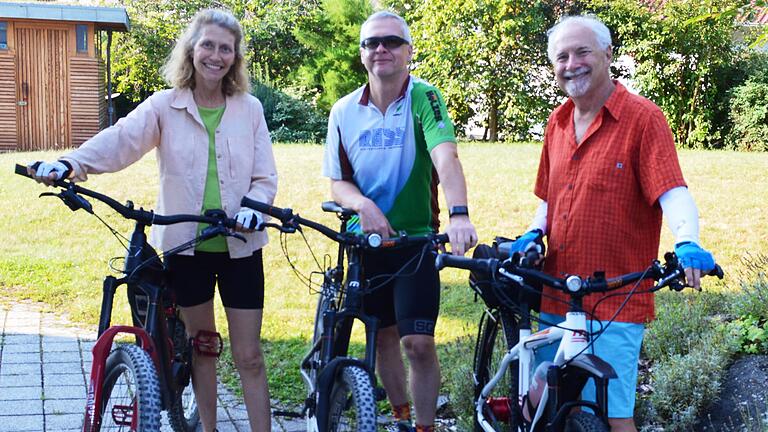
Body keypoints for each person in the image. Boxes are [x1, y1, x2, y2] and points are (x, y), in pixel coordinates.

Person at [28, 9, 277, 432]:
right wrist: (69, 162)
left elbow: (265, 175)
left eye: (225, 49)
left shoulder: (248, 108)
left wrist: (255, 204)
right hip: (186, 248)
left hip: (241, 247)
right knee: (204, 347)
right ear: (192, 50)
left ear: (235, 58)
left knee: (249, 354)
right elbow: (121, 140)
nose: (215, 55)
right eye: (208, 45)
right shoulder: (165, 105)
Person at [506, 15, 716, 432]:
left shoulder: (643, 119)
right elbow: (550, 197)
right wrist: (534, 231)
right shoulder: (558, 121)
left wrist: (688, 241)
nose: (572, 63)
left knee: (614, 415)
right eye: (562, 56)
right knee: (541, 401)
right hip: (557, 292)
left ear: (607, 54)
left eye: (582, 52)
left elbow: (672, 190)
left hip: (613, 297)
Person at [322, 10, 478, 432]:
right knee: (383, 335)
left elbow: (446, 156)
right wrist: (364, 207)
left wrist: (459, 213)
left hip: (415, 242)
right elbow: (338, 183)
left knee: (419, 343)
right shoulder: (343, 111)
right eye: (371, 43)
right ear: (361, 54)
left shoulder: (425, 98)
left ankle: (424, 427)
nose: (381, 49)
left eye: (391, 41)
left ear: (408, 51)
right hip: (364, 245)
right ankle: (399, 415)